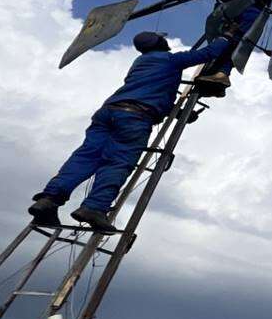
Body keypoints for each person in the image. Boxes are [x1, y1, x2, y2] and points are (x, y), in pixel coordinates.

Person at [28, 31, 230, 232]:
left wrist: (179, 113)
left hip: (108, 112)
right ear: (161, 43)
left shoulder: (140, 63)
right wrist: (226, 36)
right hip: (135, 118)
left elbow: (147, 92)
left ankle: (48, 199)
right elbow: (208, 53)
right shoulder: (170, 60)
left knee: (85, 158)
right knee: (118, 162)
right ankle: (94, 208)